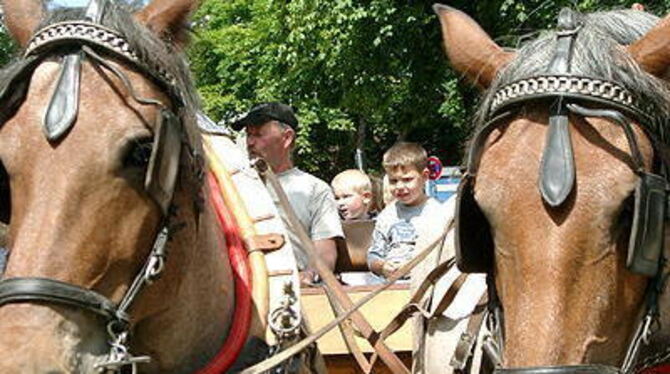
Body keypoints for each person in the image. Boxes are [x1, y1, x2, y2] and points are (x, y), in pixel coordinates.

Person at [232, 102, 343, 286]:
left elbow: (325, 252)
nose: (250, 142)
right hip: (243, 289)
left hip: (294, 292)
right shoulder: (235, 186)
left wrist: (309, 275)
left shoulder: (314, 189)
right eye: (249, 134)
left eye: (258, 134)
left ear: (287, 138)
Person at [367, 142, 445, 281]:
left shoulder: (438, 214)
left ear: (425, 176)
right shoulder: (387, 216)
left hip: (426, 284)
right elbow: (373, 256)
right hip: (390, 286)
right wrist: (382, 267)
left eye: (407, 179)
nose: (400, 186)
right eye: (393, 181)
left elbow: (446, 257)